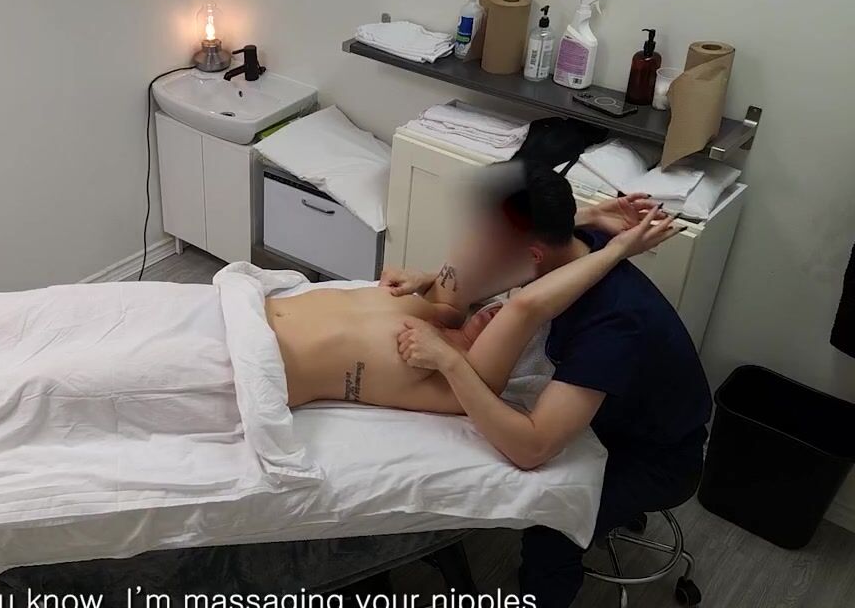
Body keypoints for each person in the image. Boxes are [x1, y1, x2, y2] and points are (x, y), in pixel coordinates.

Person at [385, 173, 713, 608]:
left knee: (550, 532)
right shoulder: (577, 241)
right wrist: (430, 280)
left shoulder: (611, 324)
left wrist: (449, 361)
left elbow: (532, 447)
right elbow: (497, 267)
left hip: (654, 457)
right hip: (615, 409)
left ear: (532, 255)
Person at [271, 199, 678, 412]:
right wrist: (582, 215)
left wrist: (617, 249)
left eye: (507, 327)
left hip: (255, 367)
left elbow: (527, 308)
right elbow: (476, 251)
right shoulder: (440, 313)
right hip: (248, 310)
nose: (500, 307)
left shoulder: (460, 381)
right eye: (497, 303)